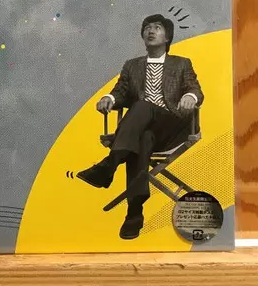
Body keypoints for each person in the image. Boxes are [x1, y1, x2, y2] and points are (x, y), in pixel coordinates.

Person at [76, 14, 203, 240]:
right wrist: (109, 99)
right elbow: (120, 92)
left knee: (142, 106)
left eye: (157, 27)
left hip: (172, 126)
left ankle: (110, 164)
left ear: (167, 37)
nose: (151, 31)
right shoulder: (132, 65)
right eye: (147, 28)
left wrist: (190, 96)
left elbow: (195, 89)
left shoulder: (181, 63)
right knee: (143, 138)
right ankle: (134, 213)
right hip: (140, 131)